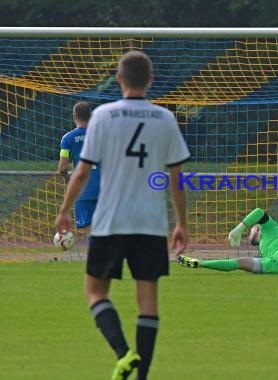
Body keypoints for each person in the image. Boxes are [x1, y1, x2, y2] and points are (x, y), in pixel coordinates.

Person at [55, 50, 190, 380]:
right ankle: (141, 375)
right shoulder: (165, 119)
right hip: (150, 223)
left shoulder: (103, 117)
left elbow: (82, 172)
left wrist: (63, 211)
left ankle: (123, 352)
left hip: (110, 220)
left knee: (95, 292)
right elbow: (176, 177)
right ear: (150, 80)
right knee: (148, 302)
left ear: (119, 79)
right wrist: (181, 223)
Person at [57, 101, 100, 258]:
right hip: (105, 187)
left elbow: (62, 168)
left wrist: (68, 177)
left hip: (83, 189)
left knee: (91, 231)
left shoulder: (68, 139)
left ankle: (97, 266)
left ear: (74, 115)